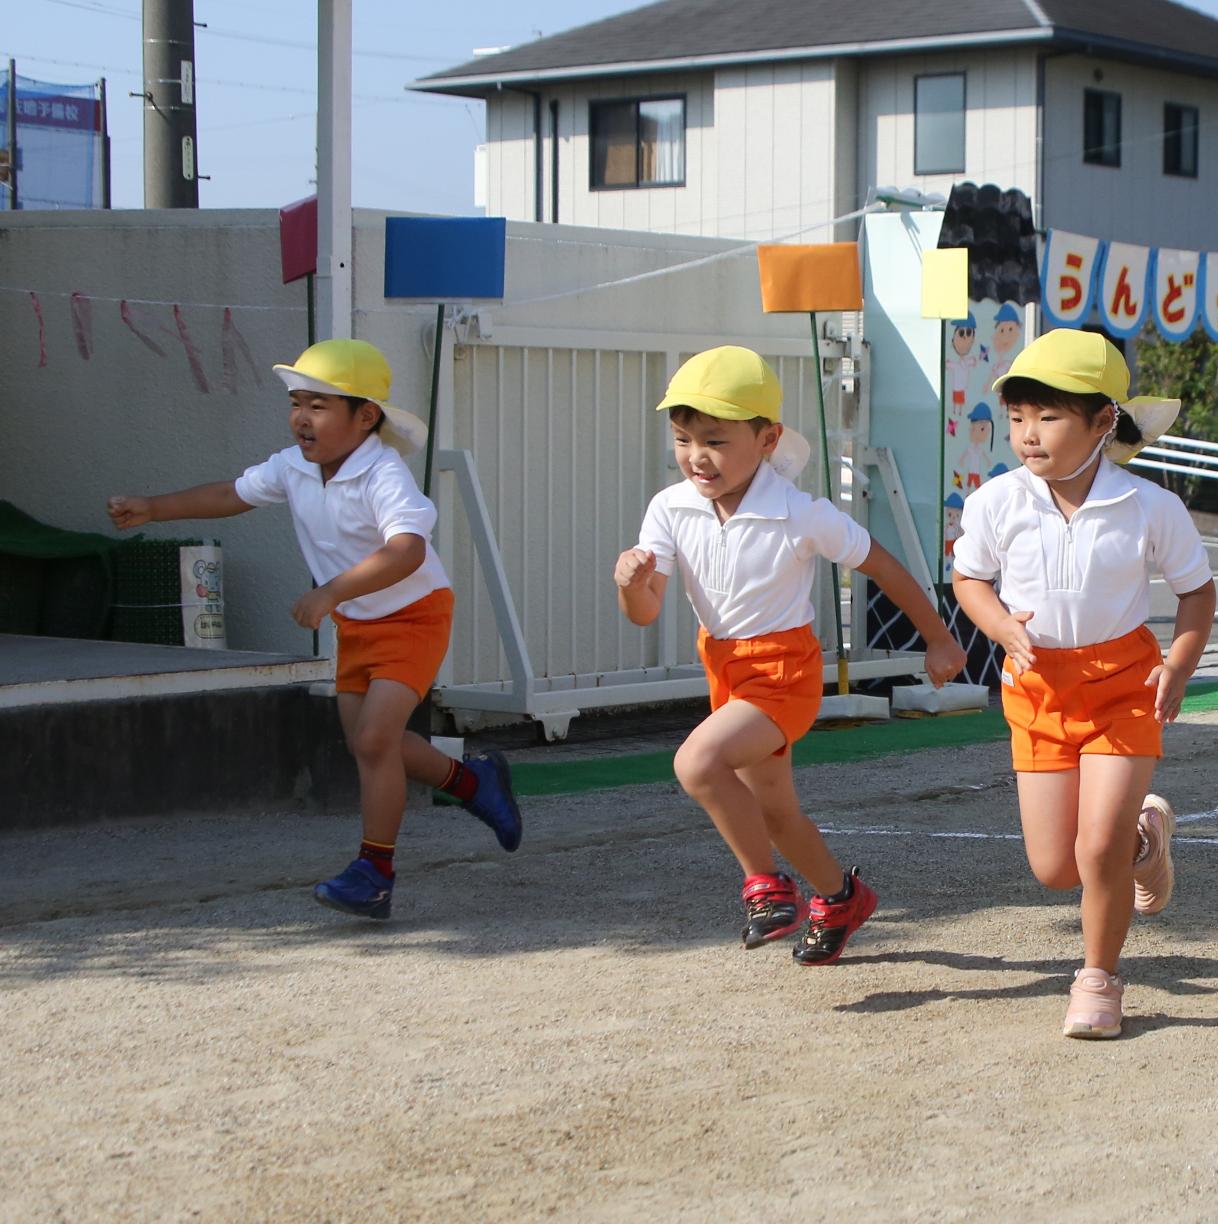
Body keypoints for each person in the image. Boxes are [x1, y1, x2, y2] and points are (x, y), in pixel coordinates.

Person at [106, 339, 523, 920]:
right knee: (370, 743)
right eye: (298, 402)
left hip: (414, 615)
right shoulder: (292, 466)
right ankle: (475, 784)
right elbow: (233, 492)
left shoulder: (383, 472)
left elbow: (406, 551)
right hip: (358, 621)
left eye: (320, 404)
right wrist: (155, 507)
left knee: (375, 740)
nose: (303, 416)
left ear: (366, 416)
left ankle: (374, 874)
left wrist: (330, 591)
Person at [615, 346, 967, 962]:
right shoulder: (668, 509)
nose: (697, 456)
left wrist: (938, 638)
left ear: (769, 439)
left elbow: (883, 566)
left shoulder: (802, 513)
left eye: (716, 440)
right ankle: (840, 897)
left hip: (785, 673)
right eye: (683, 438)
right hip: (725, 669)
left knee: (697, 763)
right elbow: (645, 611)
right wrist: (630, 583)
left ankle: (766, 888)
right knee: (777, 812)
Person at [952, 330, 1216, 1039]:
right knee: (1054, 868)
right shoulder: (997, 501)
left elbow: (1197, 594)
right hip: (1037, 689)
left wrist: (1179, 664)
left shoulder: (1150, 506)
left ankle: (1098, 978)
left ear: (1104, 422)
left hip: (1125, 686)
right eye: (1017, 418)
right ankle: (1144, 840)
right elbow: (969, 578)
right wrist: (1000, 626)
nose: (1027, 435)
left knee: (1092, 849)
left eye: (1048, 417)